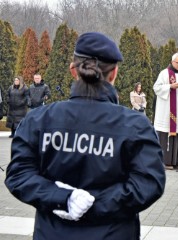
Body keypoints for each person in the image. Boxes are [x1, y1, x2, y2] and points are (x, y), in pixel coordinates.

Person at [5, 32, 166, 240]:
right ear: (114, 73)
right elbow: (149, 183)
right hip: (113, 233)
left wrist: (64, 199)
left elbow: (19, 175)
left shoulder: (39, 120)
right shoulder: (135, 125)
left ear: (73, 71)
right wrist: (97, 203)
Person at [153, 52, 178, 170]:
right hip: (167, 111)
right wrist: (170, 86)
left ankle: (176, 161)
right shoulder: (164, 73)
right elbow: (156, 88)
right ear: (172, 62)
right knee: (167, 136)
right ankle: (166, 162)